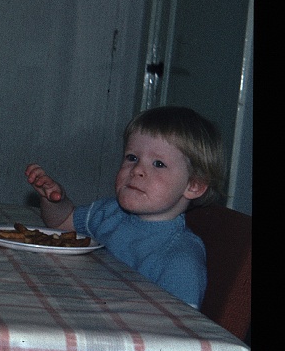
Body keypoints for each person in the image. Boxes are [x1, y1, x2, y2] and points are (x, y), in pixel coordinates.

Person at [25, 106, 226, 309]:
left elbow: (180, 328)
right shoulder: (111, 213)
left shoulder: (180, 259)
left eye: (158, 164)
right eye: (132, 157)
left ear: (194, 185)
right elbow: (62, 221)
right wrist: (54, 201)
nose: (137, 169)